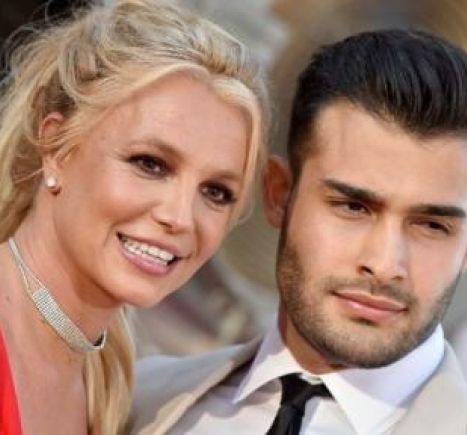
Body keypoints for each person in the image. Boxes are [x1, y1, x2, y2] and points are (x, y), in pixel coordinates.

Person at [129, 29, 467, 434]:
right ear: (279, 194)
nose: (383, 264)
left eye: (431, 226)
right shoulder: (141, 401)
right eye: (353, 207)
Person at [0, 0, 269, 433]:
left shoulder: (113, 387)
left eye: (216, 192)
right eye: (150, 164)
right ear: (56, 147)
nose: (180, 217)